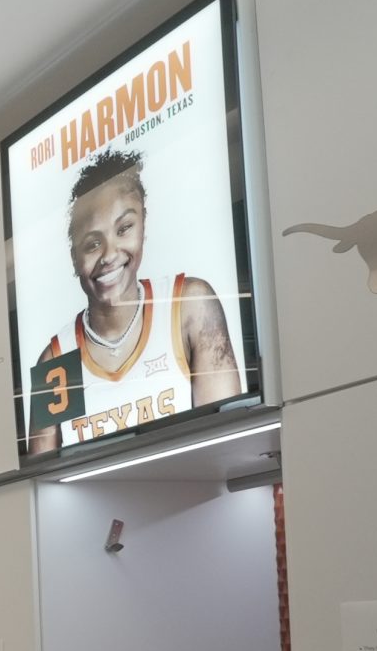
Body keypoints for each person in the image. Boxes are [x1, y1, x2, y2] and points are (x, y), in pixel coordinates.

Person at [27, 146, 243, 454]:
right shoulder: (57, 360)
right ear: (73, 258)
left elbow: (230, 446)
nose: (110, 255)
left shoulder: (189, 306)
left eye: (124, 228)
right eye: (92, 244)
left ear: (143, 224)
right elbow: (44, 486)